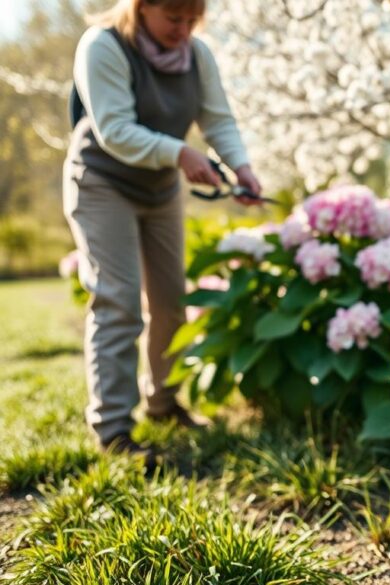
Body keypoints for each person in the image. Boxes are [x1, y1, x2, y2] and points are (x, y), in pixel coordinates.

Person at [64, 0, 261, 462]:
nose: (184, 29)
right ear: (142, 6)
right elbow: (114, 129)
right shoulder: (103, 45)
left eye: (193, 19)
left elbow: (217, 119)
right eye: (174, 17)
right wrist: (180, 154)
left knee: (171, 302)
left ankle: (164, 403)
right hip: (102, 182)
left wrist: (241, 167)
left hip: (159, 189)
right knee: (118, 299)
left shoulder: (197, 54)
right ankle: (114, 428)